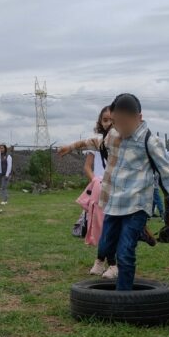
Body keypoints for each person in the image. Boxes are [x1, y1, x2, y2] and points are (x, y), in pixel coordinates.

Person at [96, 94, 169, 290]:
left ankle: (124, 296)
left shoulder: (150, 142)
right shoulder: (114, 136)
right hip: (115, 204)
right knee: (105, 246)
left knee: (125, 251)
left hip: (137, 206)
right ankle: (140, 234)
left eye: (125, 122)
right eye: (116, 122)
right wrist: (71, 146)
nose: (121, 127)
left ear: (139, 117)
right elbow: (95, 142)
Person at [60, 106, 114, 259]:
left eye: (111, 119)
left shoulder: (121, 141)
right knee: (98, 226)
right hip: (99, 188)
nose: (108, 123)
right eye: (105, 120)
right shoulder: (96, 142)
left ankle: (111, 261)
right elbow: (87, 166)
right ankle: (101, 259)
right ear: (100, 122)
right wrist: (95, 181)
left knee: (113, 225)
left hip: (116, 188)